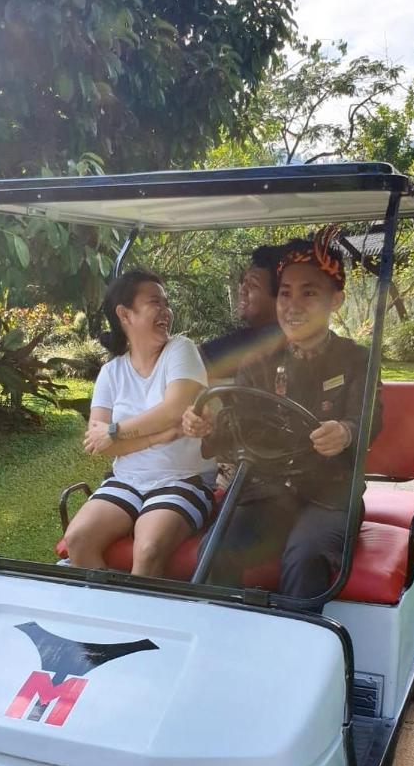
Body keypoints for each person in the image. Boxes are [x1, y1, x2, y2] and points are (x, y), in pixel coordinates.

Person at [182, 228, 382, 600]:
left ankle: (297, 651)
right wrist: (206, 425)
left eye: (309, 293)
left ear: (335, 300)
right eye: (286, 293)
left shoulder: (357, 359)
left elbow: (368, 417)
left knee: (304, 556)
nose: (293, 305)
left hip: (329, 494)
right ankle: (221, 642)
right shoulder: (259, 361)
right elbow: (238, 426)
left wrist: (346, 431)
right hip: (268, 494)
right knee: (215, 548)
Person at [64, 269, 216, 578]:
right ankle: (110, 615)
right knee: (77, 538)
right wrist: (160, 436)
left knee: (146, 550)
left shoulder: (180, 350)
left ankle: (143, 624)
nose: (166, 311)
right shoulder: (111, 372)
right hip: (127, 480)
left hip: (182, 479)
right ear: (125, 314)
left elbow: (174, 409)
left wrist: (116, 431)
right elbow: (99, 445)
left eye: (166, 303)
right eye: (154, 303)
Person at [199, 245, 284, 383]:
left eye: (253, 285)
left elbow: (191, 361)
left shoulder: (266, 337)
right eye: (244, 282)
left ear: (280, 297)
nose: (242, 290)